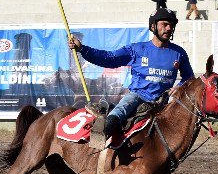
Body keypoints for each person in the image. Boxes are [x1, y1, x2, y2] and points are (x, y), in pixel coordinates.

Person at [67, 8, 194, 143]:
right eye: (164, 24)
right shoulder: (137, 49)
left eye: (171, 25)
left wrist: (180, 86)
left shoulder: (179, 53)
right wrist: (82, 49)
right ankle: (100, 137)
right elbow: (109, 58)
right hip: (138, 96)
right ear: (153, 26)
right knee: (122, 109)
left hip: (164, 101)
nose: (168, 28)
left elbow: (189, 77)